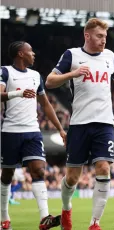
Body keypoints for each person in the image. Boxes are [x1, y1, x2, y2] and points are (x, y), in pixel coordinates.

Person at [45, 18, 114, 230]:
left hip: (105, 122)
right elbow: (49, 81)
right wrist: (73, 73)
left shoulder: (109, 56)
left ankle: (95, 223)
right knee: (72, 178)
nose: (103, 40)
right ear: (87, 35)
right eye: (99, 36)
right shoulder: (72, 55)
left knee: (104, 168)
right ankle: (66, 207)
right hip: (79, 123)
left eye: (105, 37)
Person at [1, 41, 66, 230]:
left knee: (38, 170)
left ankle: (44, 217)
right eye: (30, 51)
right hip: (10, 131)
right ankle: (4, 218)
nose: (34, 54)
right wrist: (18, 93)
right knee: (7, 174)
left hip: (32, 131)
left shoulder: (36, 76)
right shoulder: (5, 72)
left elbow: (45, 104)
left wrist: (60, 128)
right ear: (21, 54)